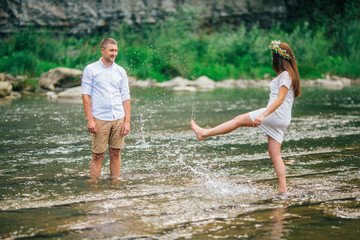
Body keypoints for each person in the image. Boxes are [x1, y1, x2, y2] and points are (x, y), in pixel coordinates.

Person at [191, 40, 301, 194]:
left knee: (237, 120)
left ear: (278, 59)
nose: (271, 60)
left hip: (275, 114)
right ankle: (283, 189)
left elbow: (280, 99)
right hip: (283, 118)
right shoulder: (291, 75)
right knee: (274, 153)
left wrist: (263, 114)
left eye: (272, 57)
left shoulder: (284, 75)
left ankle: (204, 133)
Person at [81, 38, 131, 180]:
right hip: (99, 118)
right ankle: (94, 185)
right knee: (98, 154)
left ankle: (115, 182)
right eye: (111, 50)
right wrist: (90, 120)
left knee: (116, 152)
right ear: (102, 50)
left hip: (118, 118)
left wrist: (127, 122)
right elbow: (85, 96)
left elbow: (125, 97)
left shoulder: (121, 71)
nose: (114, 53)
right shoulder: (90, 70)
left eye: (115, 50)